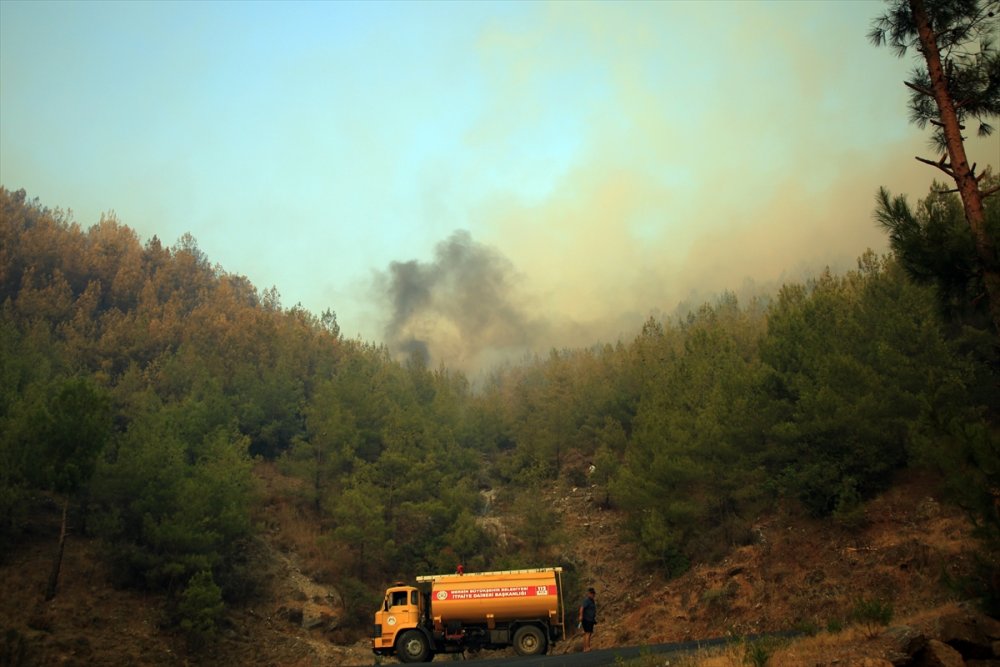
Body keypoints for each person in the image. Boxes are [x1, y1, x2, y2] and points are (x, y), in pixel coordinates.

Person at [578, 587, 597, 652]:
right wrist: (581, 616)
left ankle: (585, 647)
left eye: (593, 593)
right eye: (591, 593)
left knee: (587, 633)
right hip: (587, 619)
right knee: (588, 633)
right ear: (589, 594)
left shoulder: (592, 601)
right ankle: (587, 647)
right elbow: (582, 608)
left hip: (590, 619)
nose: (593, 595)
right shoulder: (587, 600)